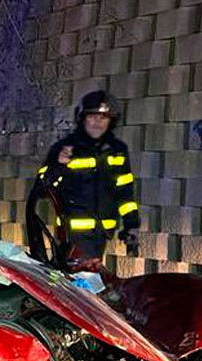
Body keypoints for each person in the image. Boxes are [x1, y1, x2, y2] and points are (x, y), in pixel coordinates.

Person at [37, 90, 140, 270]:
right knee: (79, 283)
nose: (97, 123)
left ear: (111, 121)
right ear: (82, 119)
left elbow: (125, 193)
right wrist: (59, 164)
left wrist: (131, 225)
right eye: (92, 117)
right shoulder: (66, 149)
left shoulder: (117, 150)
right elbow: (42, 187)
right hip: (73, 235)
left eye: (103, 118)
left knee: (87, 282)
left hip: (102, 233)